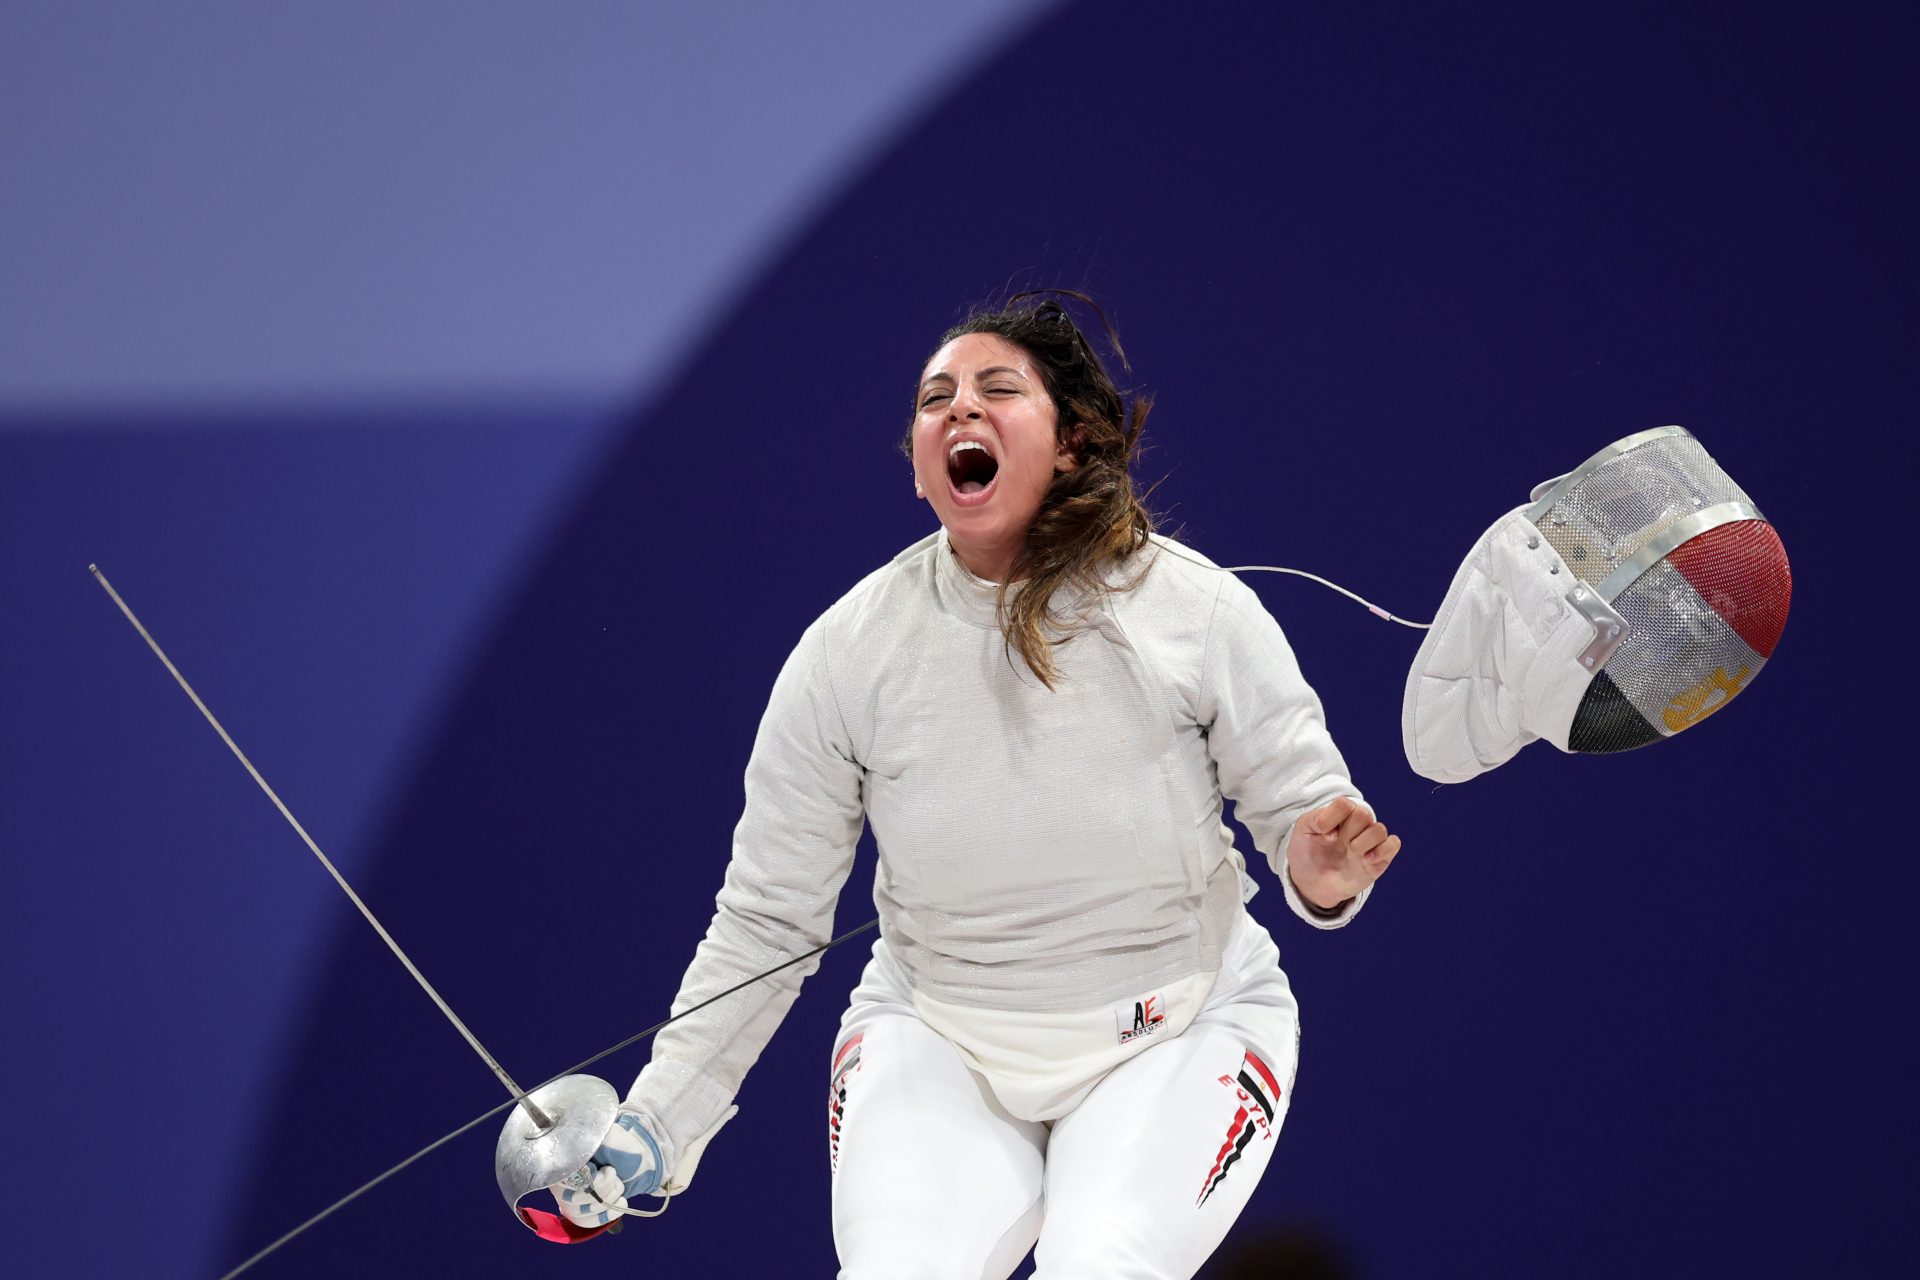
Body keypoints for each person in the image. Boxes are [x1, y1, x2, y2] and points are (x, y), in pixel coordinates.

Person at [548, 292, 1402, 1278]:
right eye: (935, 399)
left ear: (1073, 441)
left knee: (1102, 1263)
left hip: (1178, 1027)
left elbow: (1304, 807)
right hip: (939, 1038)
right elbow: (768, 919)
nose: (960, 410)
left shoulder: (1195, 609)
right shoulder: (847, 655)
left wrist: (1321, 865)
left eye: (998, 390)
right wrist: (664, 1112)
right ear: (919, 470)